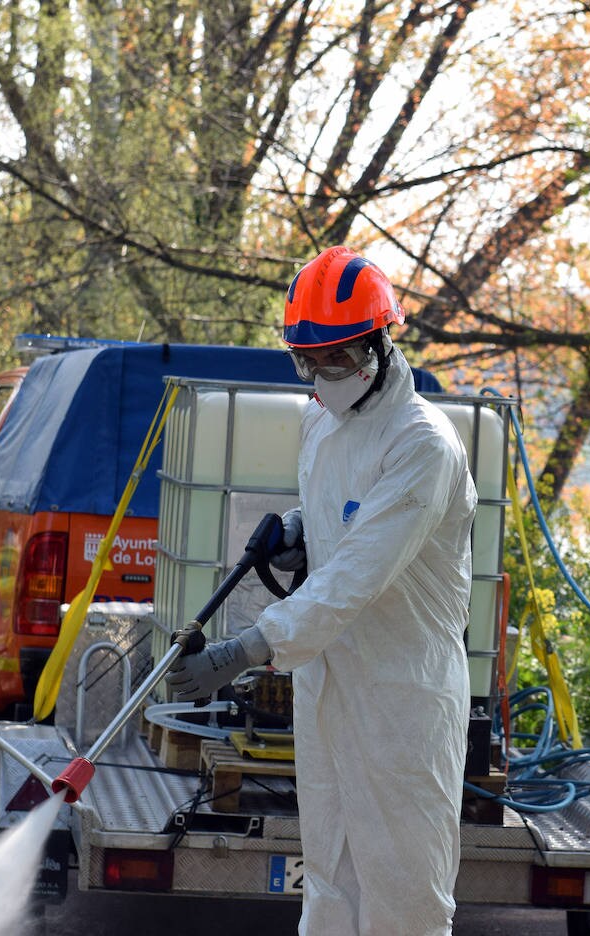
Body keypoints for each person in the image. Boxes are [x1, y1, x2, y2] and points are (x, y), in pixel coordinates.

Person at [167, 246, 477, 936]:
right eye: (307, 360)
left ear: (379, 343)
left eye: (336, 358)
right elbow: (348, 516)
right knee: (329, 883)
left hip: (401, 695)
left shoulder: (424, 443)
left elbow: (356, 576)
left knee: (404, 894)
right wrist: (302, 528)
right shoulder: (319, 419)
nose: (321, 375)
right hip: (329, 687)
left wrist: (245, 649)